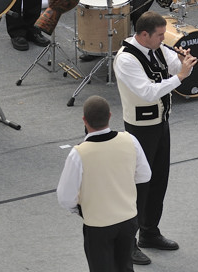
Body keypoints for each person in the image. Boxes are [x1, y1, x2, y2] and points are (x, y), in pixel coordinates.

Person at [113, 12, 196, 266]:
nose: (164, 39)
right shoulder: (126, 59)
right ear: (144, 35)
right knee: (138, 186)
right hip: (140, 130)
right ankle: (128, 244)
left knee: (159, 179)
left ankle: (150, 231)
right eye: (160, 35)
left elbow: (172, 64)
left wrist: (184, 62)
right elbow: (148, 92)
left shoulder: (157, 48)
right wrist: (181, 76)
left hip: (161, 124)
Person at [56, 95, 151, 272]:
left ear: (84, 120)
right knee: (125, 266)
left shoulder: (79, 153)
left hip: (98, 225)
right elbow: (144, 176)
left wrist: (82, 210)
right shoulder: (130, 141)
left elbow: (65, 197)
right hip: (128, 219)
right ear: (110, 115)